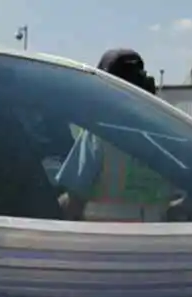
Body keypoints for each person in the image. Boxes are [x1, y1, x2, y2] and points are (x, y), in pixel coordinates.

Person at [55, 49, 179, 221]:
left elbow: (73, 202)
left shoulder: (98, 135)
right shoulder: (171, 136)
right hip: (157, 241)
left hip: (105, 241)